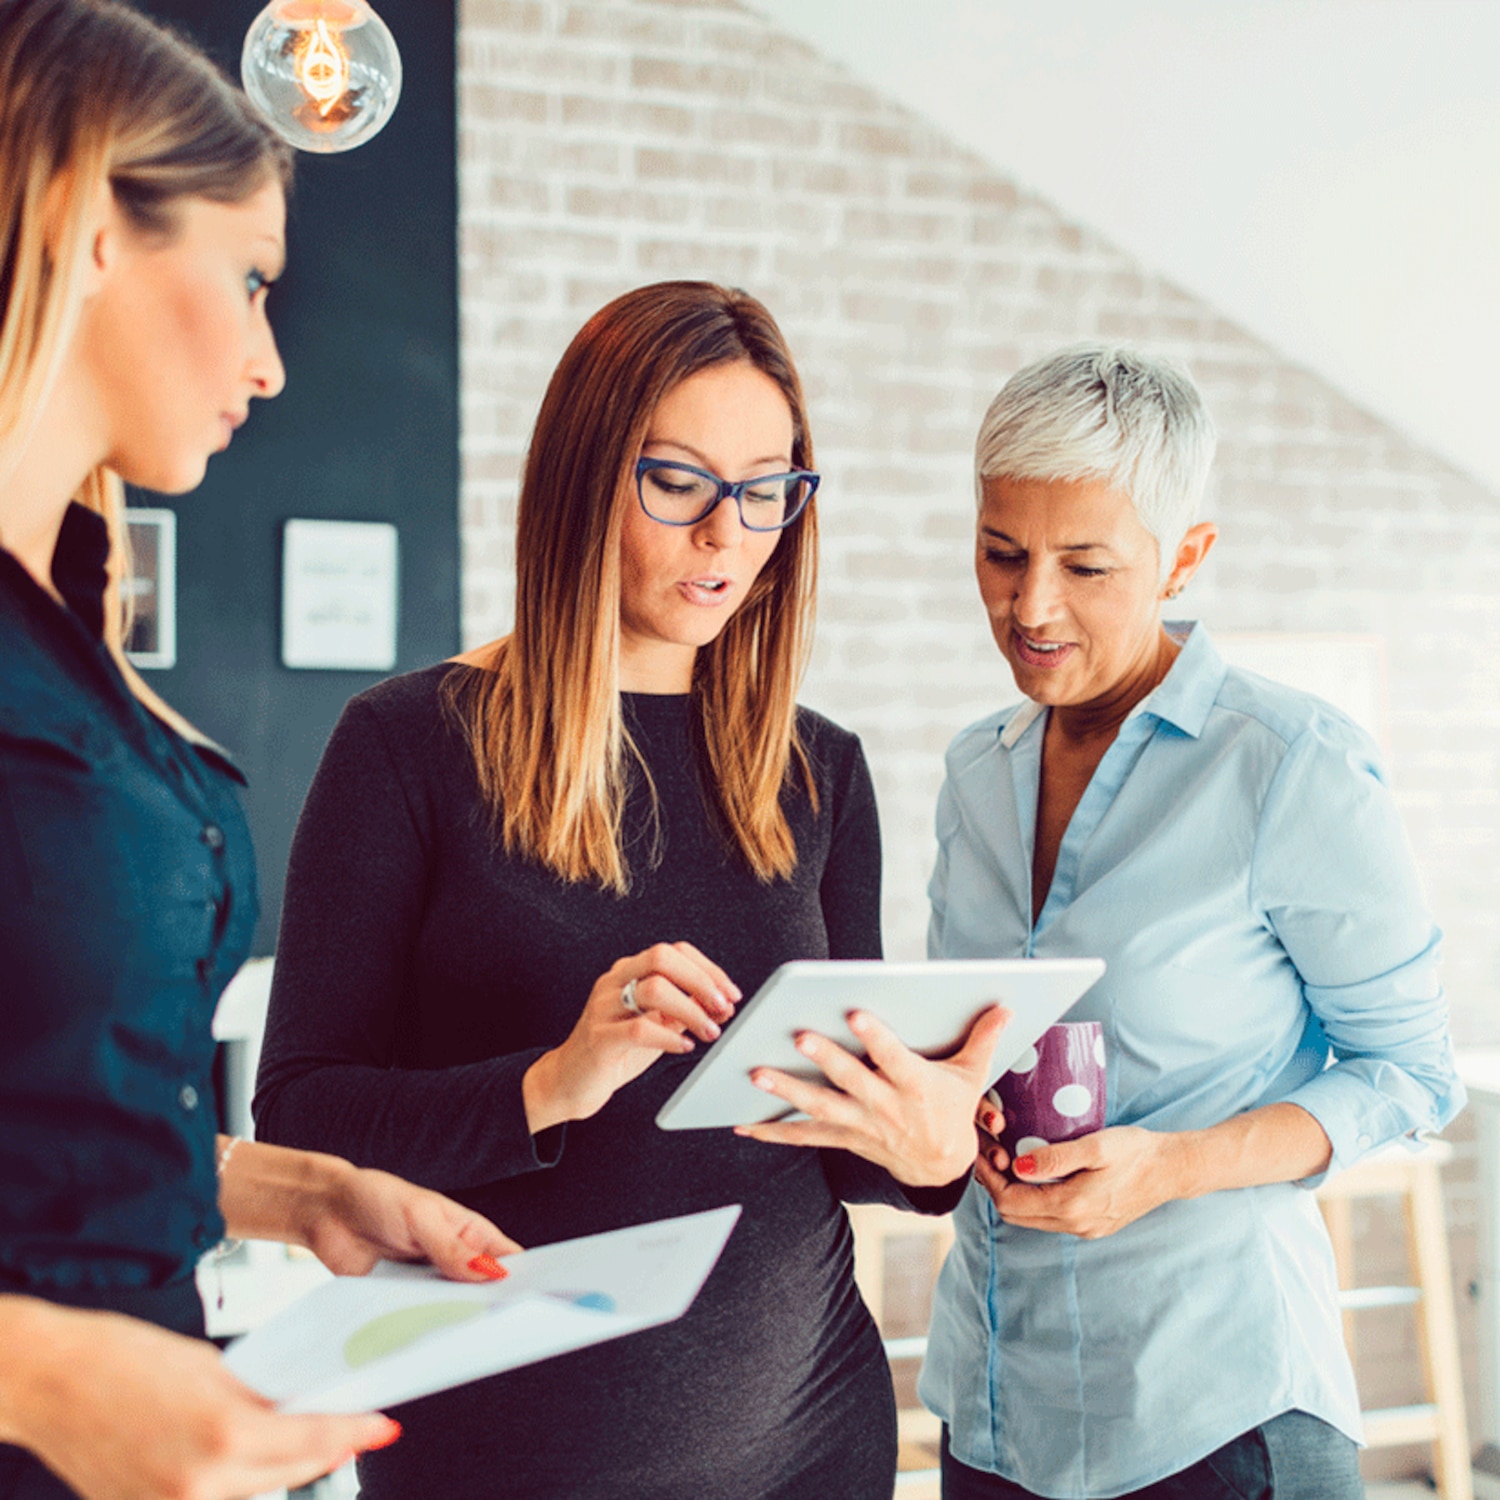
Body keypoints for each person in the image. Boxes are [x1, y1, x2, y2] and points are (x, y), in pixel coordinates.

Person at [253, 279, 1008, 1500]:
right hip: (504, 1450)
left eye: (768, 490)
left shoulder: (821, 770)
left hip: (813, 1440)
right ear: (582, 475)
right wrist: (551, 1085)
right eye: (680, 482)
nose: (728, 534)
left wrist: (929, 1151)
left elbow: (842, 1148)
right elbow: (302, 1121)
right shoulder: (406, 745)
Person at [0, 5, 521, 1497]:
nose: (271, 359)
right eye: (249, 279)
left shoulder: (70, 628)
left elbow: (50, 1125)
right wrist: (39, 1371)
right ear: (89, 222)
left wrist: (300, 1190)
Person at [917, 343, 1466, 1500]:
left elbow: (1410, 1072)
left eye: (1087, 566)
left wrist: (1175, 1166)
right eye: (1001, 553)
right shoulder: (977, 773)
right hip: (996, 1411)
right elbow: (960, 1045)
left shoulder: (1289, 767)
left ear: (1185, 559)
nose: (1032, 606)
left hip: (1217, 1417)